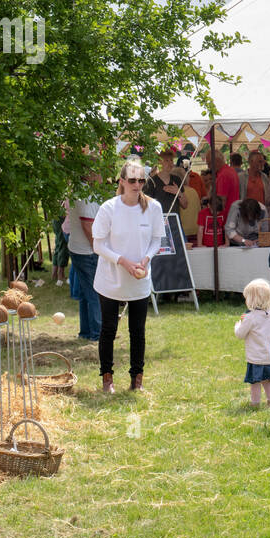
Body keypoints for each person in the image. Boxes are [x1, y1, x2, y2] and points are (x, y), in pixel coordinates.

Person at [92, 159, 165, 393]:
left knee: (138, 331)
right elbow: (98, 245)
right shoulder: (108, 208)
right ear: (121, 181)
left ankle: (137, 380)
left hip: (139, 279)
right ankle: (107, 379)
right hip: (111, 279)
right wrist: (122, 261)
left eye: (141, 180)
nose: (137, 184)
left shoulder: (153, 207)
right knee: (108, 330)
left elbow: (156, 240)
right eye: (132, 180)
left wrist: (145, 260)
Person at [65, 179, 103, 341]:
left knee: (86, 292)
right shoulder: (85, 194)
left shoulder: (79, 191)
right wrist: (97, 248)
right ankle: (98, 333)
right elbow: (87, 224)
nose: (102, 176)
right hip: (87, 250)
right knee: (95, 292)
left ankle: (87, 331)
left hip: (79, 247)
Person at [235, 278, 270, 408]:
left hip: (256, 358)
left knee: (255, 382)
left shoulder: (250, 317)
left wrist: (239, 324)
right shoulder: (269, 314)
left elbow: (240, 334)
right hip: (269, 356)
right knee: (267, 381)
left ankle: (255, 403)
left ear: (251, 299)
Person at [145, 150, 188, 216]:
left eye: (171, 160)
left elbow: (185, 205)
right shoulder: (151, 182)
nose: (170, 163)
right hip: (158, 222)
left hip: (175, 222)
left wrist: (178, 193)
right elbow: (145, 207)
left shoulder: (177, 179)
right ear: (159, 162)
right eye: (166, 160)